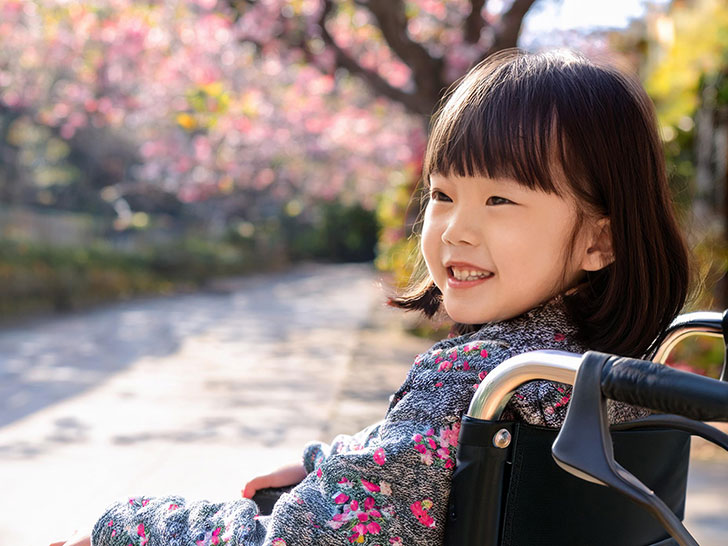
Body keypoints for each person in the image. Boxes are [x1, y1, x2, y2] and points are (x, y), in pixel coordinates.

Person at [53, 48, 690, 546]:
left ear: (599, 242)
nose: (455, 230)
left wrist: (126, 525)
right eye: (443, 195)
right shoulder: (610, 373)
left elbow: (297, 538)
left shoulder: (485, 382)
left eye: (500, 199)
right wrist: (324, 464)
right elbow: (426, 459)